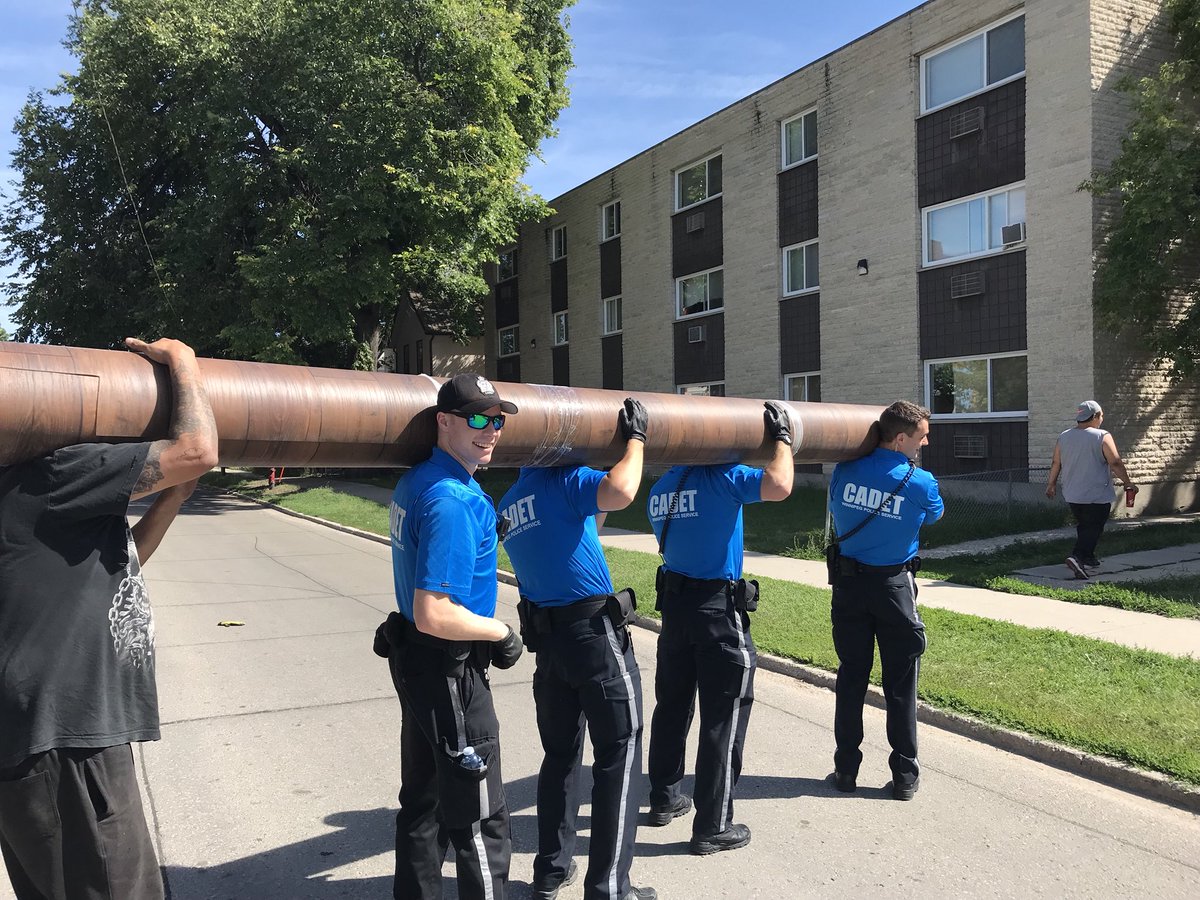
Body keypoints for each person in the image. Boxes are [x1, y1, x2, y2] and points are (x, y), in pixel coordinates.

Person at [0, 337, 218, 900]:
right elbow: (196, 450)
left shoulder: (23, 491)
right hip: (64, 741)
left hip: (41, 737)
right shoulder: (51, 473)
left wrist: (173, 496)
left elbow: (117, 567)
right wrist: (185, 364)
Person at [499, 398, 656, 900]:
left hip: (552, 647)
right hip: (594, 638)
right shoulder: (566, 482)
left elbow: (587, 523)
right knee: (620, 753)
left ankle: (551, 871)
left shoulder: (511, 503)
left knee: (560, 757)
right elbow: (621, 489)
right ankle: (609, 888)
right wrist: (636, 441)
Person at [378, 372, 525, 900]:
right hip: (450, 671)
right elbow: (434, 611)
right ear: (444, 422)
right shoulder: (451, 500)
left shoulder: (417, 480)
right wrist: (500, 631)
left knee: (424, 801)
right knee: (480, 818)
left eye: (499, 419)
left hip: (417, 666)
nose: (492, 431)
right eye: (479, 420)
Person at [644, 401, 795, 856]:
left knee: (671, 706)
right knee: (722, 718)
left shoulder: (662, 488)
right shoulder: (725, 476)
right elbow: (780, 484)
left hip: (674, 609)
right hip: (717, 612)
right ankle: (713, 825)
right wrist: (782, 439)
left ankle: (664, 798)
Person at [826, 400, 943, 801]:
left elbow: (836, 507)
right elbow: (933, 517)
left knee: (851, 678)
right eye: (921, 435)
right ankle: (905, 776)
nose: (925, 441)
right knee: (900, 683)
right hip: (894, 589)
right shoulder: (921, 482)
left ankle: (845, 770)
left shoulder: (844, 470)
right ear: (899, 438)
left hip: (849, 588)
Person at [1045, 400, 1136, 579]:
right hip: (1096, 494)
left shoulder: (1064, 436)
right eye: (1101, 415)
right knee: (1094, 528)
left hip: (1072, 493)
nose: (1102, 419)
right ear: (1095, 416)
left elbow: (1056, 462)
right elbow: (1115, 462)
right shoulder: (1102, 436)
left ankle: (1089, 557)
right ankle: (1077, 557)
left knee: (1085, 526)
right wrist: (1127, 482)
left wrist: (1051, 484)